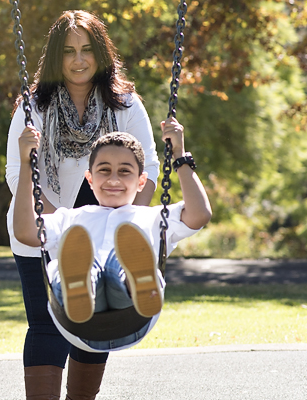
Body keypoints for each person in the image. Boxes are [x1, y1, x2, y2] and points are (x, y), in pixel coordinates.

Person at [5, 10, 160, 400]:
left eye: (87, 49)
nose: (78, 60)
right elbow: (19, 175)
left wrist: (117, 219)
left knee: (98, 319)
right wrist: (66, 224)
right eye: (68, 51)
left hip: (107, 231)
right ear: (56, 57)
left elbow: (147, 170)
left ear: (101, 53)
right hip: (40, 232)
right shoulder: (32, 108)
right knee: (48, 324)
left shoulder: (125, 106)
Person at [14, 127, 211, 326]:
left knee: (118, 263)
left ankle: (133, 281)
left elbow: (199, 214)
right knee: (75, 257)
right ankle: (83, 282)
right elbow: (26, 232)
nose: (114, 179)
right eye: (104, 170)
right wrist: (26, 164)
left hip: (132, 313)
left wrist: (179, 154)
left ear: (141, 181)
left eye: (125, 171)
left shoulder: (153, 218)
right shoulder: (71, 219)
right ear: (89, 178)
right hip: (75, 318)